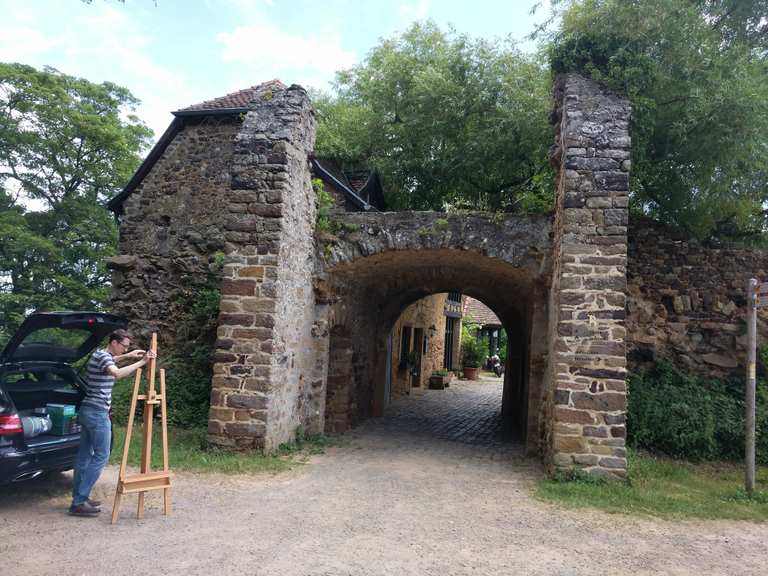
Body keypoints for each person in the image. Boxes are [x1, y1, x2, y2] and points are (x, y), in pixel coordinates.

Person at [69, 329, 155, 517]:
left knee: (84, 455)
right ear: (114, 343)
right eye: (124, 346)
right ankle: (79, 501)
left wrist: (130, 356)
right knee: (101, 455)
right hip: (97, 413)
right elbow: (115, 373)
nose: (125, 350)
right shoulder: (105, 358)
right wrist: (141, 362)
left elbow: (112, 361)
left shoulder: (100, 355)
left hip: (87, 410)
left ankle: (79, 498)